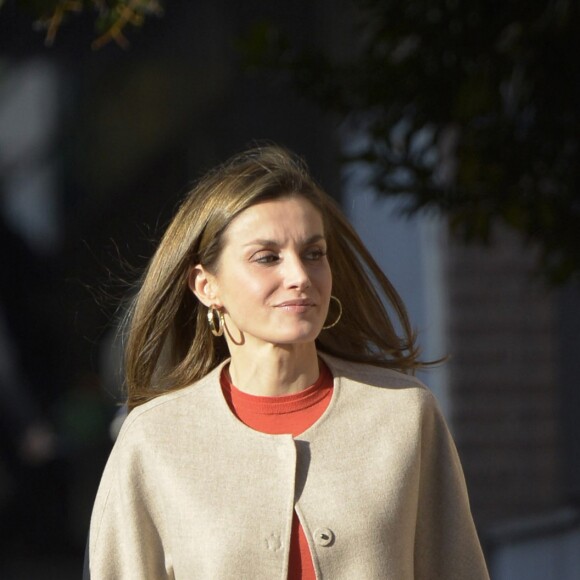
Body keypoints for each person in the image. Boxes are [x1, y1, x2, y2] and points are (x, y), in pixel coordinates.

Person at [86, 144, 490, 579]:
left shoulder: (403, 415)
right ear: (206, 286)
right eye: (267, 258)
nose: (299, 276)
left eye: (313, 254)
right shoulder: (154, 441)